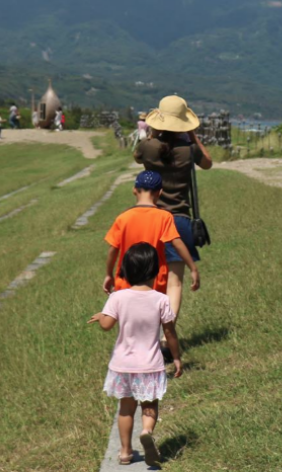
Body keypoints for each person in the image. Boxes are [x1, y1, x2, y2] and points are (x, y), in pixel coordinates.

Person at [89, 243, 183, 467]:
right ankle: (147, 431)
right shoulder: (161, 300)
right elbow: (169, 333)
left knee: (126, 409)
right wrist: (177, 358)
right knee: (149, 405)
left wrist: (101, 315)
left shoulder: (118, 297)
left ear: (126, 271)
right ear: (156, 271)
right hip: (150, 365)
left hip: (123, 365)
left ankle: (124, 452)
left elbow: (107, 325)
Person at [136, 95, 213, 326]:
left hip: (149, 219)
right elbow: (208, 162)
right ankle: (166, 337)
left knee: (147, 281)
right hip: (179, 220)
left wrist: (153, 134)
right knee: (174, 283)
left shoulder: (147, 147)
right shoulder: (189, 150)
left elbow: (136, 156)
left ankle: (146, 331)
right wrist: (191, 135)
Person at [104, 170, 200, 297]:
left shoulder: (123, 218)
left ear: (134, 190)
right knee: (152, 316)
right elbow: (177, 243)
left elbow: (113, 249)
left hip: (126, 282)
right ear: (159, 192)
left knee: (127, 316)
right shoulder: (164, 217)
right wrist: (193, 268)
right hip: (154, 284)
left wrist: (109, 274)